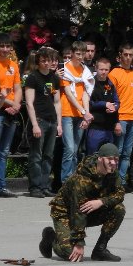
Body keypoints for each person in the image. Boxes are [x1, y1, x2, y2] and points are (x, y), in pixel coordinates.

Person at [38, 143, 126, 262]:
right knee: (69, 254)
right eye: (110, 159)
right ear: (100, 158)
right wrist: (79, 243)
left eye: (116, 159)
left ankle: (100, 250)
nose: (114, 163)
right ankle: (51, 237)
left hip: (89, 209)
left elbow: (120, 194)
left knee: (118, 209)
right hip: (66, 213)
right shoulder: (82, 179)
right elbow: (78, 211)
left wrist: (101, 201)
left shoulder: (112, 173)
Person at [24, 46, 63, 198]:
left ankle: (44, 185)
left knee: (48, 155)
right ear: (38, 61)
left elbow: (57, 101)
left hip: (52, 121)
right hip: (39, 120)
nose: (47, 63)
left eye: (50, 60)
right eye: (44, 60)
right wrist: (34, 124)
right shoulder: (33, 77)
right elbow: (29, 102)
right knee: (36, 155)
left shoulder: (55, 78)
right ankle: (35, 187)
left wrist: (59, 124)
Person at [108, 43, 133, 188]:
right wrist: (115, 120)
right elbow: (111, 99)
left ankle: (121, 182)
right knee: (118, 151)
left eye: (130, 55)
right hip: (120, 117)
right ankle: (112, 181)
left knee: (127, 153)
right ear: (120, 56)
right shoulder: (114, 73)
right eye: (125, 55)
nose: (128, 58)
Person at [59, 40, 95, 182]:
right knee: (69, 149)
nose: (80, 57)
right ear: (72, 53)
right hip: (67, 112)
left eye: (82, 54)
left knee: (76, 150)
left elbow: (86, 93)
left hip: (80, 114)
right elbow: (68, 93)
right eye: (78, 54)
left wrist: (85, 112)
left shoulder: (85, 70)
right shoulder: (65, 69)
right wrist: (82, 110)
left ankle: (73, 180)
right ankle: (65, 181)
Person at [0, 33, 24, 197]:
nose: (5, 49)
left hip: (12, 112)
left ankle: (1, 186)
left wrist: (17, 105)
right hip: (0, 110)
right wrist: (12, 104)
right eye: (2, 46)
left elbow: (18, 88)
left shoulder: (13, 65)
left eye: (8, 46)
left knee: (4, 151)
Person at [85, 57, 120, 154]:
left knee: (108, 156)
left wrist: (114, 108)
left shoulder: (111, 84)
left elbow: (117, 102)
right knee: (92, 155)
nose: (104, 72)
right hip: (95, 126)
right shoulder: (90, 83)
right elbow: (88, 103)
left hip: (109, 127)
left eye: (106, 70)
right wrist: (104, 104)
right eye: (101, 69)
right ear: (96, 68)